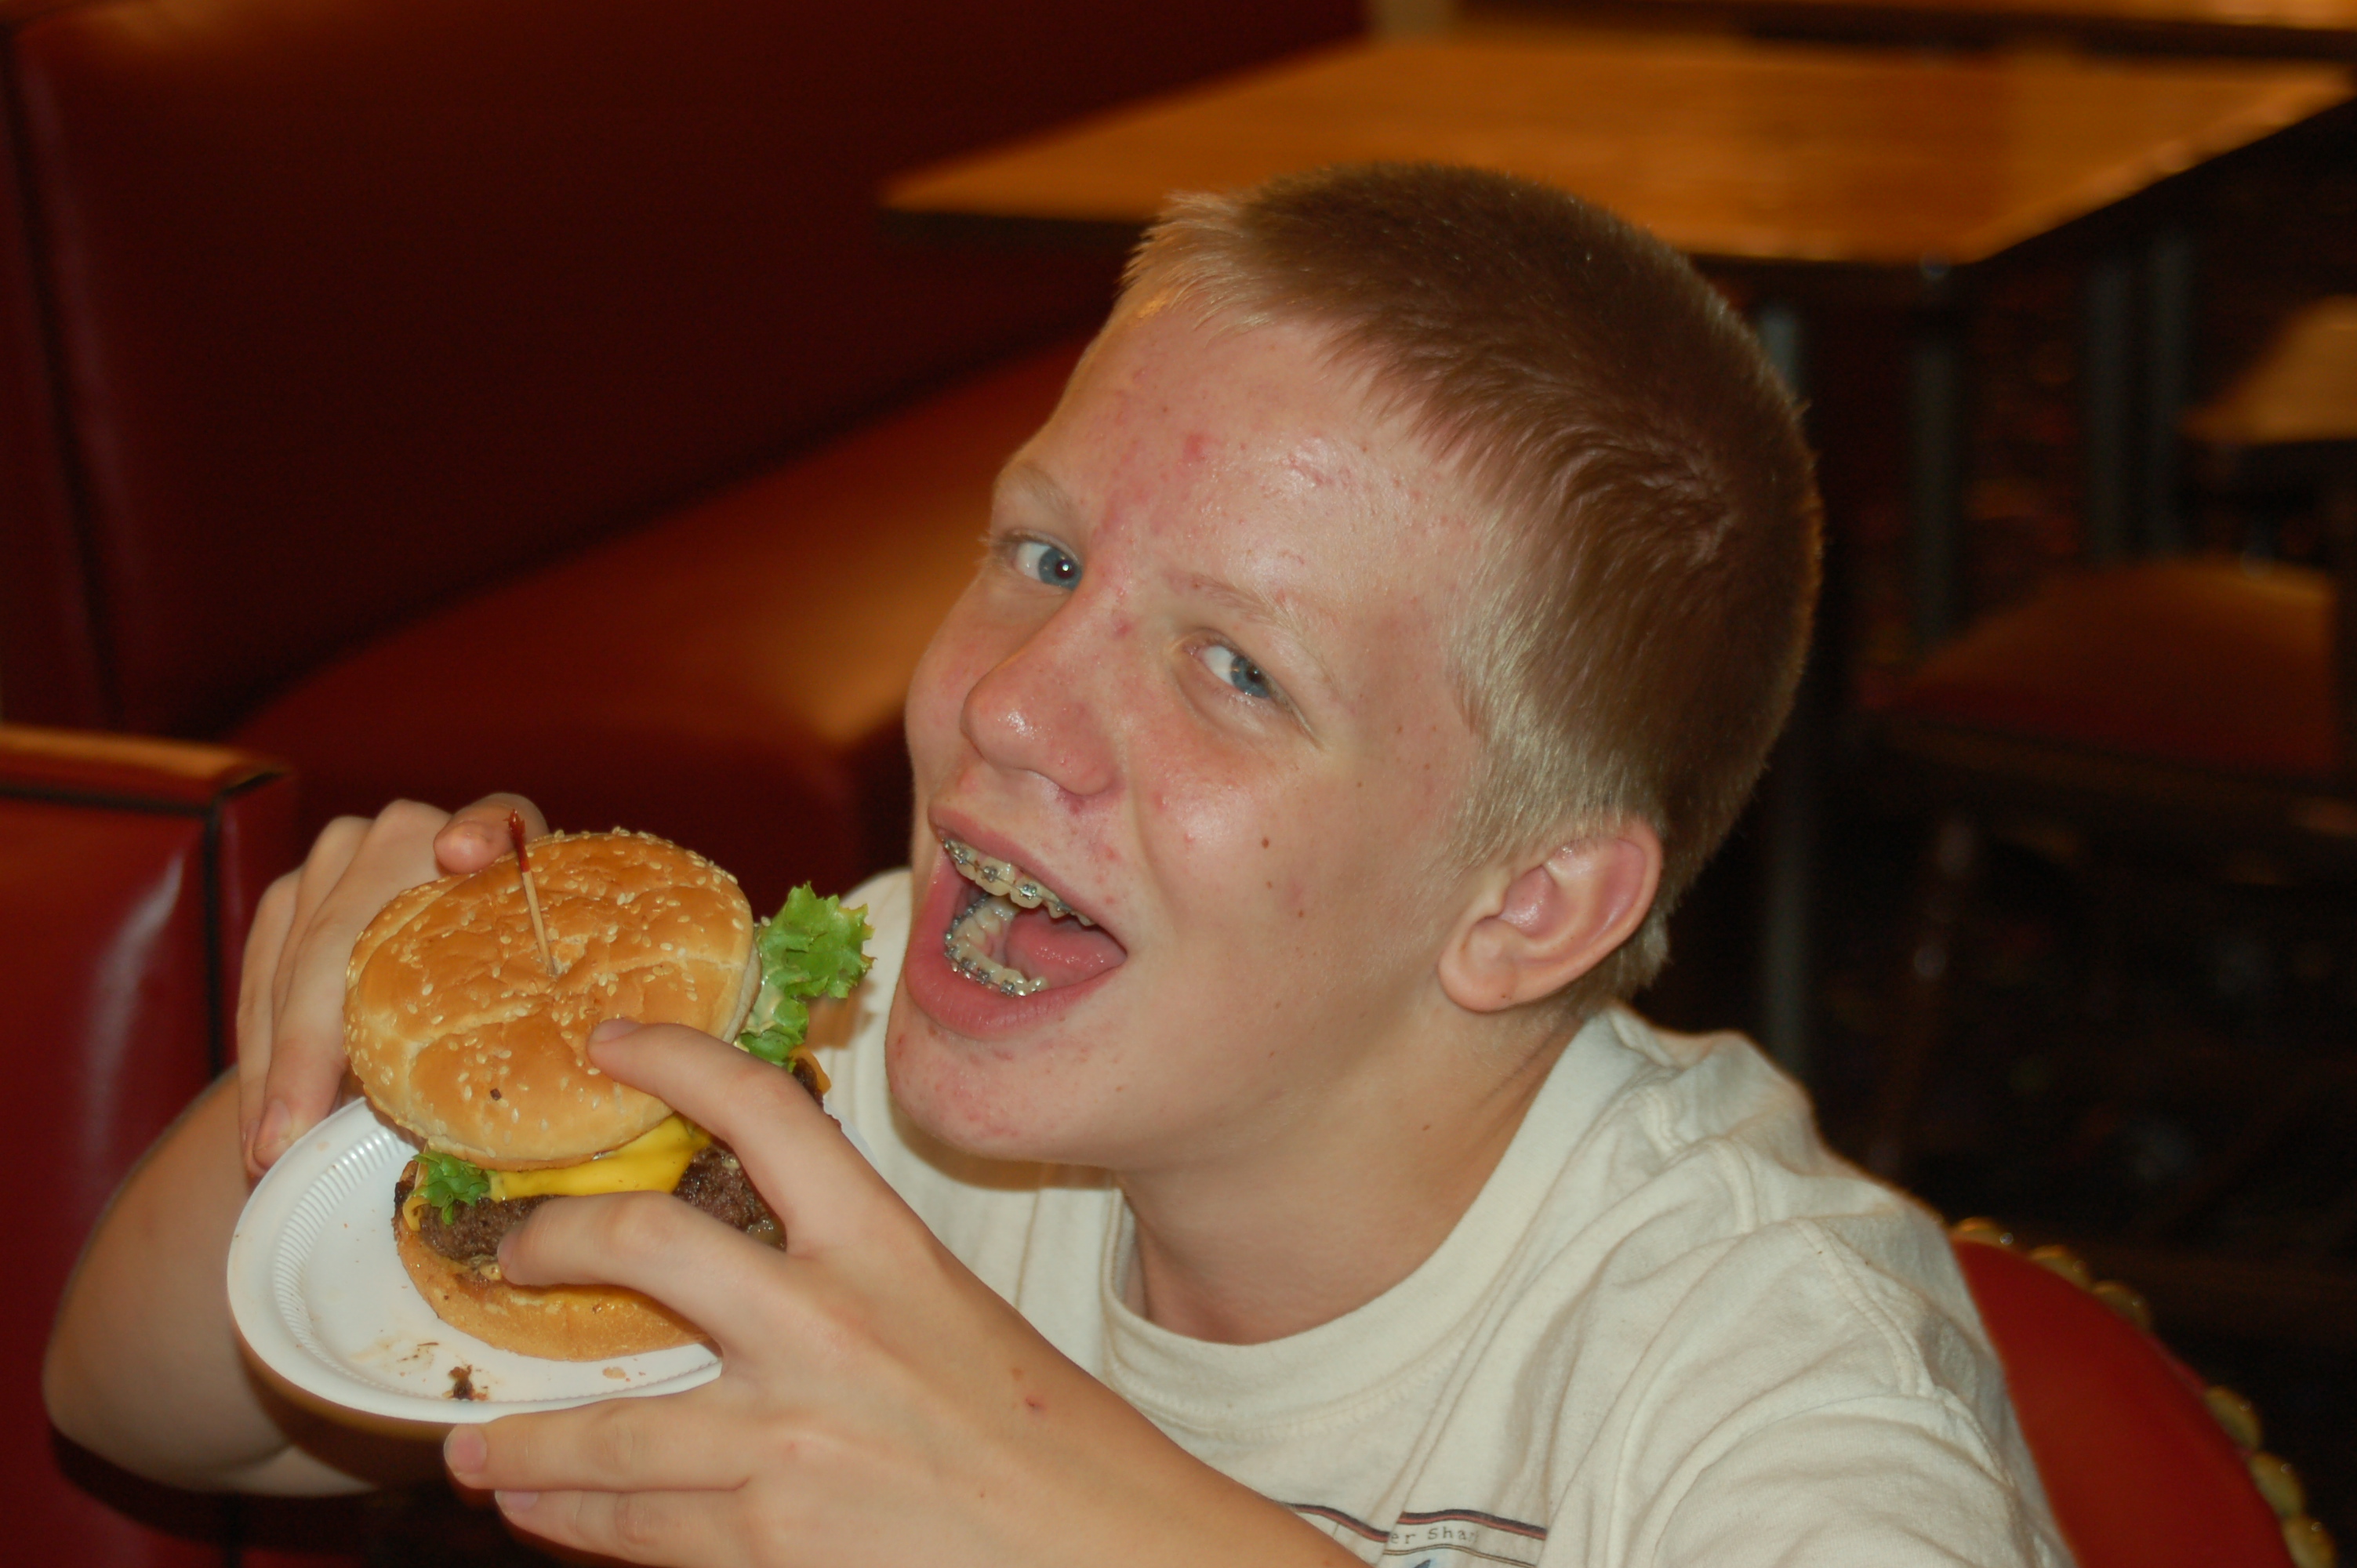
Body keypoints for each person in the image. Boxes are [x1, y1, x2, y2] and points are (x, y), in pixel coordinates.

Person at [46, 163, 2066, 1567]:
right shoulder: (835, 1071)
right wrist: (348, 1096)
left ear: (1528, 907)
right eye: (1045, 554)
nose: (1009, 704)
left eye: (1237, 670)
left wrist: (1056, 1509)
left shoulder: (1761, 1377)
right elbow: (132, 1402)